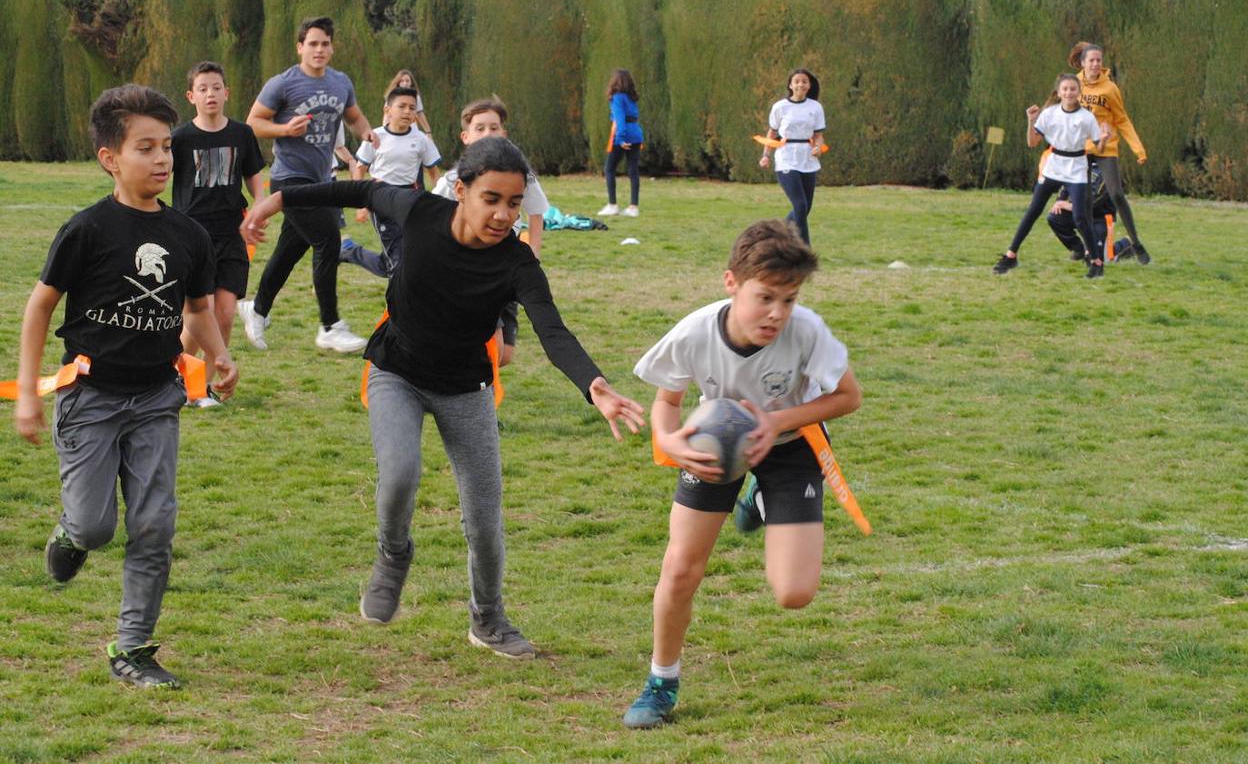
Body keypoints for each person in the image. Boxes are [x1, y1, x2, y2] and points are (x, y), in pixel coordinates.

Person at [240, 137, 645, 659]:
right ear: (461, 191)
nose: (503, 214)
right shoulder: (419, 211)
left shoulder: (516, 263)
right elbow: (358, 186)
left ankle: (489, 618)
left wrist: (595, 386)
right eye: (492, 199)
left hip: (464, 388)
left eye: (514, 203)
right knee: (401, 472)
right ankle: (393, 553)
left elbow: (553, 332)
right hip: (397, 372)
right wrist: (275, 201)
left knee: (484, 519)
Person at [14, 85, 239, 689]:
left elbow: (194, 311)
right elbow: (39, 309)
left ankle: (132, 647)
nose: (163, 159)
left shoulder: (188, 235)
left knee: (155, 525)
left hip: (157, 399)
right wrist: (30, 394)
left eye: (168, 147)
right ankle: (70, 532)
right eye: (146, 148)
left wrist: (218, 356)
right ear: (110, 157)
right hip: (89, 397)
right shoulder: (87, 229)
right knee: (94, 527)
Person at [623, 219, 861, 728]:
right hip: (717, 444)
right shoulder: (694, 332)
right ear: (731, 282)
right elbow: (668, 402)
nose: (777, 313)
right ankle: (661, 683)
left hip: (792, 444)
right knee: (681, 567)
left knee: (794, 594)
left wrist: (775, 421)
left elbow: (847, 397)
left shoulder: (807, 332)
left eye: (790, 299)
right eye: (766, 297)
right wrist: (667, 441)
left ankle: (760, 498)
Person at [237, 16, 378, 353]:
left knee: (291, 249)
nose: (319, 49)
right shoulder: (283, 84)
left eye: (325, 43)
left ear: (332, 47)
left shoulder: (340, 82)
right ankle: (330, 326)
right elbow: (252, 123)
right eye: (312, 43)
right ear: (300, 47)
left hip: (321, 178)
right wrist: (285, 130)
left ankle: (257, 309)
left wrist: (366, 132)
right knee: (328, 240)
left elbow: (354, 115)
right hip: (289, 177)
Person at [171, 61, 264, 406]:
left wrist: (260, 206)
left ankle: (202, 388)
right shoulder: (179, 139)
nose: (210, 94)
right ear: (191, 95)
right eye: (203, 88)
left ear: (227, 92)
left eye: (216, 87)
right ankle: (171, 378)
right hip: (192, 236)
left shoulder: (242, 134)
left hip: (231, 233)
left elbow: (254, 175)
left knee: (224, 314)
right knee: (200, 313)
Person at [433, 96, 549, 367]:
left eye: (494, 128)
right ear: (466, 136)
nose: (488, 134)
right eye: (480, 128)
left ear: (504, 133)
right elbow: (432, 215)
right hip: (469, 269)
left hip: (506, 266)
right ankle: (466, 389)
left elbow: (536, 212)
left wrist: (532, 252)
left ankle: (461, 374)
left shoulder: (522, 175)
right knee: (489, 346)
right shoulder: (453, 180)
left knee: (504, 356)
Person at [993, 74, 1106, 279]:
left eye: (1073, 89)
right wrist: (1031, 121)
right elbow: (1032, 142)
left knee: (1080, 217)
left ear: (1079, 92)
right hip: (1053, 166)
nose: (1069, 93)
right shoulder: (1049, 114)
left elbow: (1098, 145)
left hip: (1076, 168)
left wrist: (1103, 139)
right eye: (1065, 89)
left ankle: (1096, 261)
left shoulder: (1087, 117)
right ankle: (1011, 255)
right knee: (1033, 210)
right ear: (1059, 92)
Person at [339, 87, 443, 278]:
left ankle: (349, 251)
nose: (407, 111)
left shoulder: (421, 140)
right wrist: (361, 205)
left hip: (410, 200)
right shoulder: (376, 137)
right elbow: (360, 171)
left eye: (412, 108)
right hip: (380, 197)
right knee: (398, 263)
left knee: (405, 259)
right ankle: (401, 300)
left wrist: (443, 201)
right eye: (401, 106)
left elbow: (434, 174)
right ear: (388, 110)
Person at [1071, 41, 1150, 264]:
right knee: (1083, 199)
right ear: (1083, 63)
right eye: (1091, 60)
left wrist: (1138, 149)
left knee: (1116, 194)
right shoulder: (1075, 84)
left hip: (1107, 148)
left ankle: (1136, 243)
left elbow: (1122, 120)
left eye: (1099, 60)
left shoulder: (1110, 89)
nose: (1096, 64)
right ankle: (1089, 250)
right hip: (1083, 148)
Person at [758, 68, 826, 248]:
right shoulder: (780, 107)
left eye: (804, 81)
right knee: (800, 205)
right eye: (797, 81)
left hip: (808, 159)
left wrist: (818, 147)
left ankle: (774, 236)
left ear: (809, 85)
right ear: (790, 85)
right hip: (787, 158)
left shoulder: (815, 107)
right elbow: (771, 133)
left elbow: (818, 134)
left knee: (804, 208)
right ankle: (804, 248)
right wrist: (766, 155)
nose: (800, 84)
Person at [1046, 159, 1117, 262]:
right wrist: (1059, 202)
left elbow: (1097, 200)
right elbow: (1065, 186)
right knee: (1055, 217)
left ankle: (1126, 245)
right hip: (1081, 214)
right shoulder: (1077, 164)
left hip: (1101, 218)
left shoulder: (1107, 169)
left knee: (1103, 258)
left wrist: (1072, 206)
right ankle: (1079, 249)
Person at [597, 69, 644, 218]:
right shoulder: (632, 98)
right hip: (636, 134)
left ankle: (612, 205)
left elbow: (619, 119)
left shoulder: (617, 98)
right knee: (633, 171)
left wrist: (621, 139)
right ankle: (633, 207)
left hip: (622, 135)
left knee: (609, 168)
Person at [381, 69, 435, 138]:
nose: (405, 83)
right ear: (398, 82)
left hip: (411, 131)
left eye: (407, 81)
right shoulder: (392, 96)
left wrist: (428, 132)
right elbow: (387, 115)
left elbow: (420, 114)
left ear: (411, 83)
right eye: (402, 81)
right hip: (394, 131)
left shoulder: (415, 97)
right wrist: (386, 130)